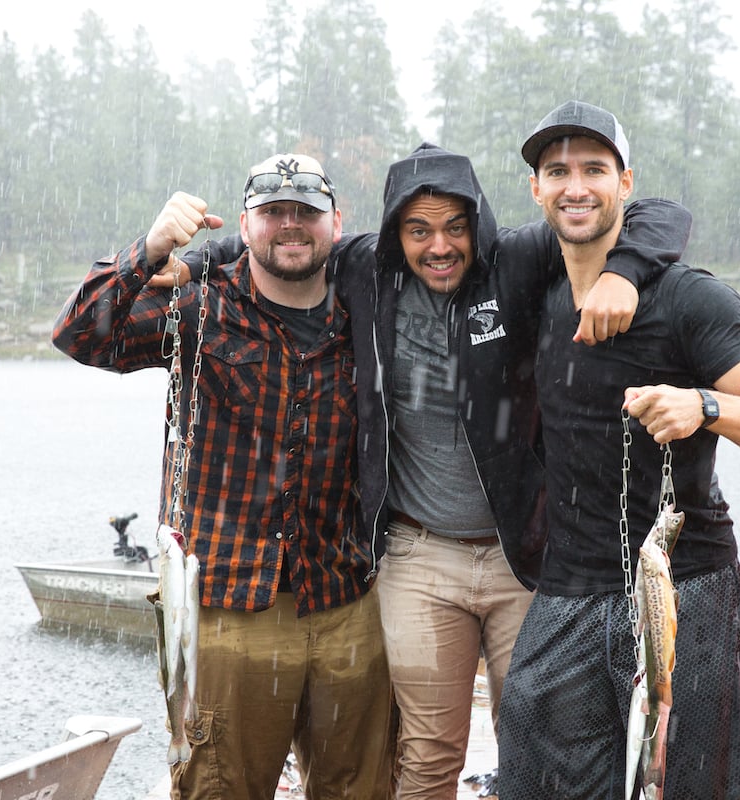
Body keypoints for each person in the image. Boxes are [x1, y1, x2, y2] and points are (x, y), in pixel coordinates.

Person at [178, 143, 693, 799]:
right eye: (418, 230)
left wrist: (621, 273)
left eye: (455, 227)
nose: (439, 246)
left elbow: (661, 215)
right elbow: (269, 243)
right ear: (395, 233)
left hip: (522, 558)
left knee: (539, 743)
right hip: (419, 558)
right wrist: (191, 260)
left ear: (478, 222)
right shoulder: (366, 269)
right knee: (425, 757)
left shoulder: (517, 262)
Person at [52, 153, 395, 800]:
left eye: (306, 214)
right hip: (227, 607)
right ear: (245, 223)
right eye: (272, 214)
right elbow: (79, 334)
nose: (290, 227)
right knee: (217, 787)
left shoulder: (369, 319)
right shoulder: (197, 308)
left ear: (336, 225)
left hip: (347, 599)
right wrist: (150, 249)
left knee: (364, 789)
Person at [497, 101, 740, 800]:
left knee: (691, 785)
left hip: (687, 589)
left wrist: (705, 405)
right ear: (536, 189)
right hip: (570, 590)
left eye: (594, 170)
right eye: (557, 171)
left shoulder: (689, 300)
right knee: (533, 772)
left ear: (626, 183)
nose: (575, 186)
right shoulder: (536, 294)